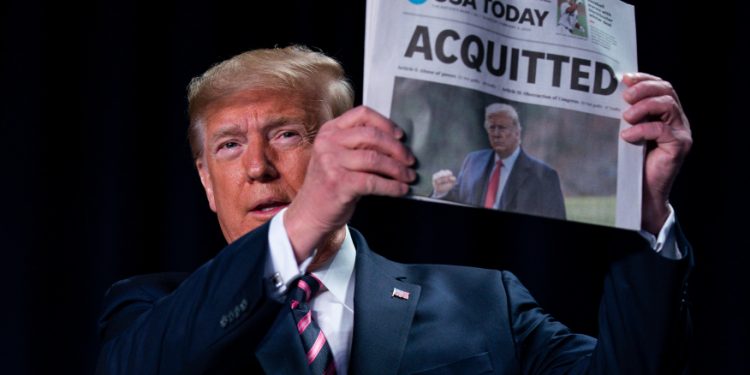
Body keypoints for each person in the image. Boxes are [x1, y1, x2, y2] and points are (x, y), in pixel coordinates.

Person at [96, 46, 693, 374]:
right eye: (229, 146)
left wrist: (642, 214)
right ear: (205, 181)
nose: (257, 167)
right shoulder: (150, 312)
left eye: (286, 135)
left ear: (349, 143)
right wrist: (299, 224)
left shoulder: (487, 303)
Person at [431, 103, 567, 220]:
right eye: (492, 127)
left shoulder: (544, 176)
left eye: (502, 127)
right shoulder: (473, 161)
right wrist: (441, 193)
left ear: (517, 133)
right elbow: (455, 201)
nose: (496, 133)